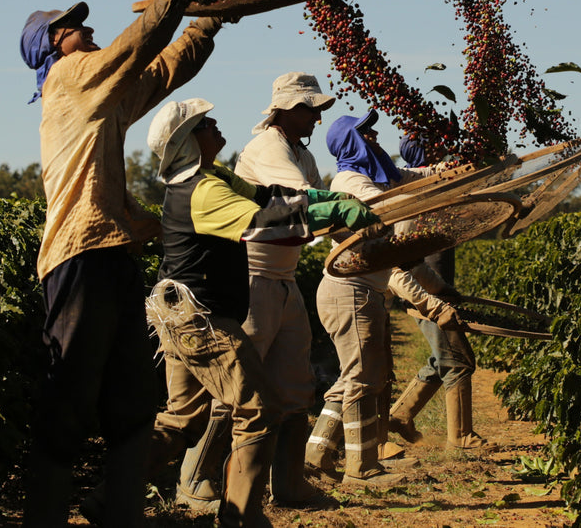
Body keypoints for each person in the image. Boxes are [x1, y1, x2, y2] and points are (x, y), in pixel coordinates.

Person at [17, 0, 236, 528]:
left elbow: (159, 71)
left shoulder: (102, 100)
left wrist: (205, 26)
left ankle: (120, 516)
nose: (85, 28)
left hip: (110, 254)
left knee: (132, 404)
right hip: (77, 258)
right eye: (70, 27)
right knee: (69, 401)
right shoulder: (68, 79)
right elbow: (131, 49)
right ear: (52, 47)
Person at [143, 98, 381, 528]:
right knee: (254, 408)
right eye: (206, 124)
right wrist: (334, 211)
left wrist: (329, 198)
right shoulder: (204, 190)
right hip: (202, 317)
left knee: (184, 417)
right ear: (188, 142)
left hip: (183, 312)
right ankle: (241, 517)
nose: (217, 126)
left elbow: (267, 194)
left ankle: (109, 498)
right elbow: (265, 220)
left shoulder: (213, 176)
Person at [174, 72, 338, 511]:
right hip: (253, 280)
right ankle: (195, 482)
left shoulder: (300, 152)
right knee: (236, 389)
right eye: (310, 110)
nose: (316, 120)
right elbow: (302, 201)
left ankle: (288, 484)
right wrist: (340, 207)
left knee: (294, 386)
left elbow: (315, 214)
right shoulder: (269, 148)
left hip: (283, 280)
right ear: (285, 108)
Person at [306, 111, 463, 484]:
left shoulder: (375, 178)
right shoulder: (354, 183)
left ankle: (317, 455)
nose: (376, 135)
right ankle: (362, 468)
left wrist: (459, 168)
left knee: (354, 377)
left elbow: (413, 185)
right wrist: (434, 305)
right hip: (350, 291)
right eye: (367, 132)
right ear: (354, 142)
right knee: (363, 378)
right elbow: (398, 247)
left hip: (359, 290)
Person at [387, 136, 491, 451]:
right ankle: (460, 438)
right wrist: (431, 297)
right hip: (423, 295)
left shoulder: (432, 190)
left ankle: (400, 415)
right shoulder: (414, 196)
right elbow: (402, 259)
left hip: (433, 290)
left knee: (444, 357)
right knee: (457, 359)